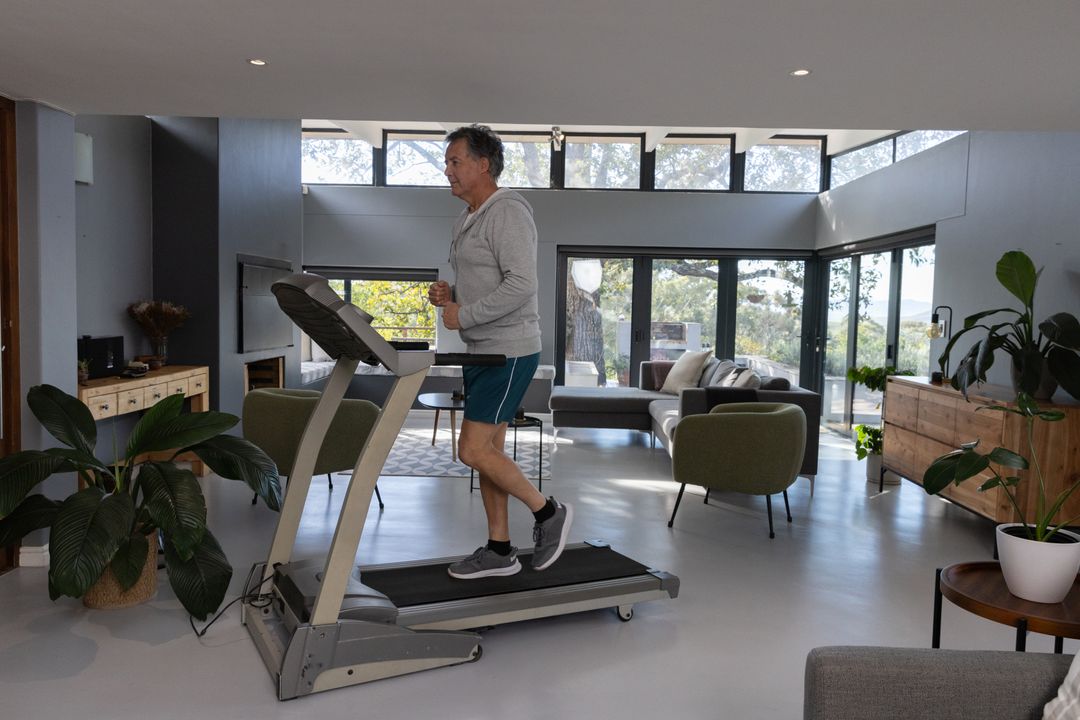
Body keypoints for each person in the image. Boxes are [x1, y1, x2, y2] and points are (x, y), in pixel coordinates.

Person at [428, 124, 572, 580]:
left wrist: (463, 315)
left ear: (482, 165)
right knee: (488, 451)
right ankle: (499, 548)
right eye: (447, 162)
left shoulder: (507, 211)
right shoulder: (468, 217)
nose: (446, 170)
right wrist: (450, 292)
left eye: (455, 161)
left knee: (471, 450)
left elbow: (522, 285)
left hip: (507, 351)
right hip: (482, 351)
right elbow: (487, 276)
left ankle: (549, 512)